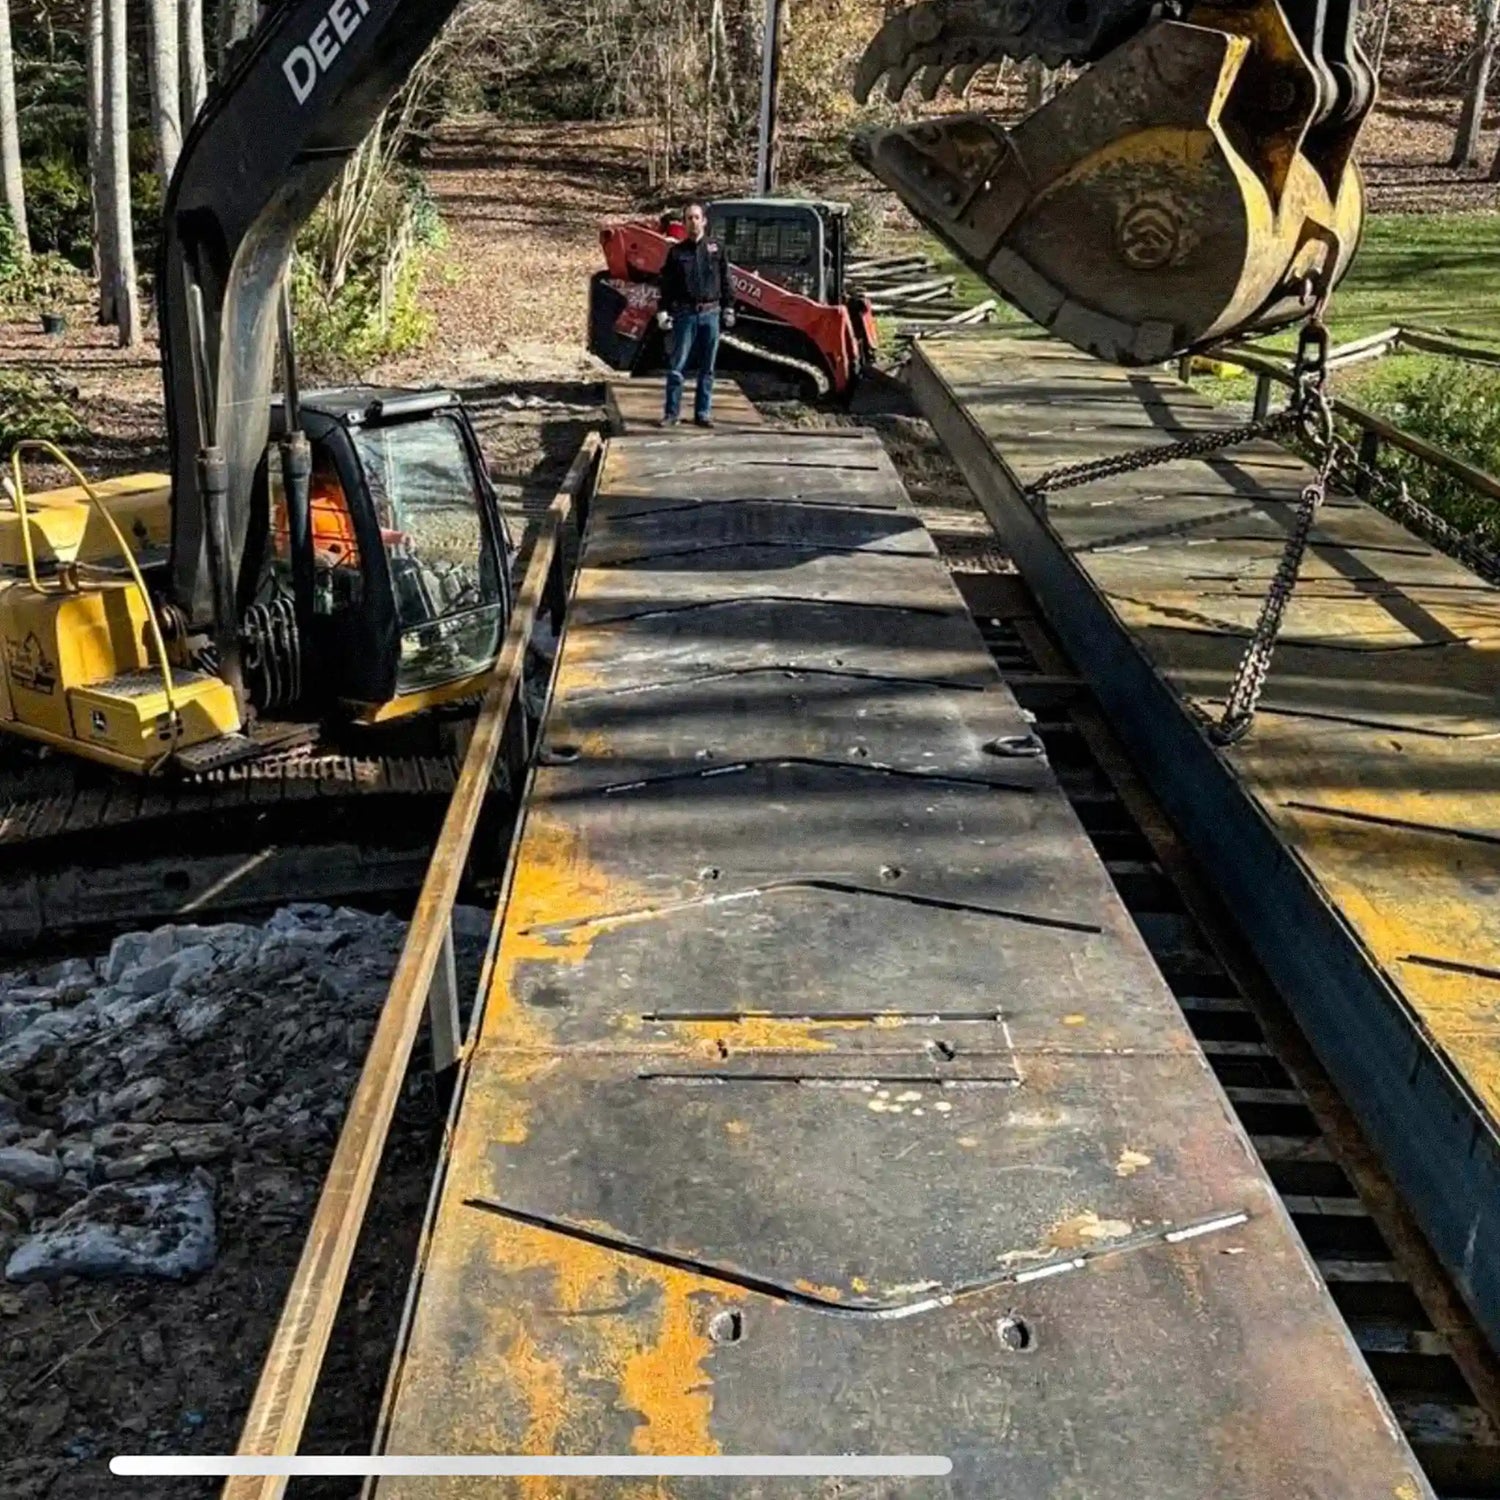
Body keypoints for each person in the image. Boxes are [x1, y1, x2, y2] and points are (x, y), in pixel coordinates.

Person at [656, 201, 736, 428]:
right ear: (683, 223)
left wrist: (729, 307)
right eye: (689, 218)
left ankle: (703, 413)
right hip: (685, 315)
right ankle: (672, 414)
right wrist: (662, 311)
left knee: (707, 367)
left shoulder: (717, 249)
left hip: (711, 314)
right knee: (677, 366)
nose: (693, 222)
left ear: (704, 221)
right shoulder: (676, 253)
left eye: (697, 217)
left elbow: (727, 280)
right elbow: (667, 285)